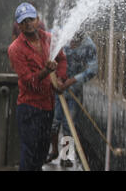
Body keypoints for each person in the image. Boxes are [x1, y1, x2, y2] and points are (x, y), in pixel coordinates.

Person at [8, 2, 68, 171]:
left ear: (38, 20)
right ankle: (63, 159)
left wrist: (61, 79)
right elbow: (28, 81)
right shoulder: (15, 49)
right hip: (29, 108)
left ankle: (63, 159)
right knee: (29, 153)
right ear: (18, 25)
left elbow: (62, 59)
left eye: (31, 19)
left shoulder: (49, 38)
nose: (28, 24)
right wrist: (46, 72)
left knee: (42, 152)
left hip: (48, 105)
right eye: (23, 21)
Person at [46, 30, 98, 167]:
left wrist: (73, 80)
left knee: (69, 124)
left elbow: (93, 70)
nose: (74, 42)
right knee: (54, 122)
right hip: (56, 87)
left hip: (74, 91)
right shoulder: (60, 38)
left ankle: (66, 156)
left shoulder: (89, 46)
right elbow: (50, 58)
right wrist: (57, 78)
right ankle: (54, 150)